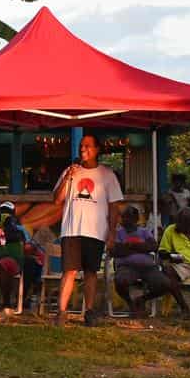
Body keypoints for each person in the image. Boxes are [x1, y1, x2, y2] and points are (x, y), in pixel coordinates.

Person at [53, 133, 124, 326]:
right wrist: (68, 176)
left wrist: (111, 233)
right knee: (69, 271)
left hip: (95, 231)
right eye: (81, 146)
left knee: (91, 272)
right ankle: (61, 312)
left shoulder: (107, 175)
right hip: (71, 230)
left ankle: (90, 312)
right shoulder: (70, 171)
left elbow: (114, 206)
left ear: (97, 149)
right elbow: (57, 199)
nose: (83, 149)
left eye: (87, 146)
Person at [110, 205, 171, 317]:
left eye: (129, 217)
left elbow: (154, 246)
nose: (125, 220)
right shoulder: (118, 233)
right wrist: (141, 247)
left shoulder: (144, 231)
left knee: (166, 284)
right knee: (120, 281)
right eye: (124, 217)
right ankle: (130, 303)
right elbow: (115, 251)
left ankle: (142, 299)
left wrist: (131, 246)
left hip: (148, 267)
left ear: (136, 219)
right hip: (127, 267)